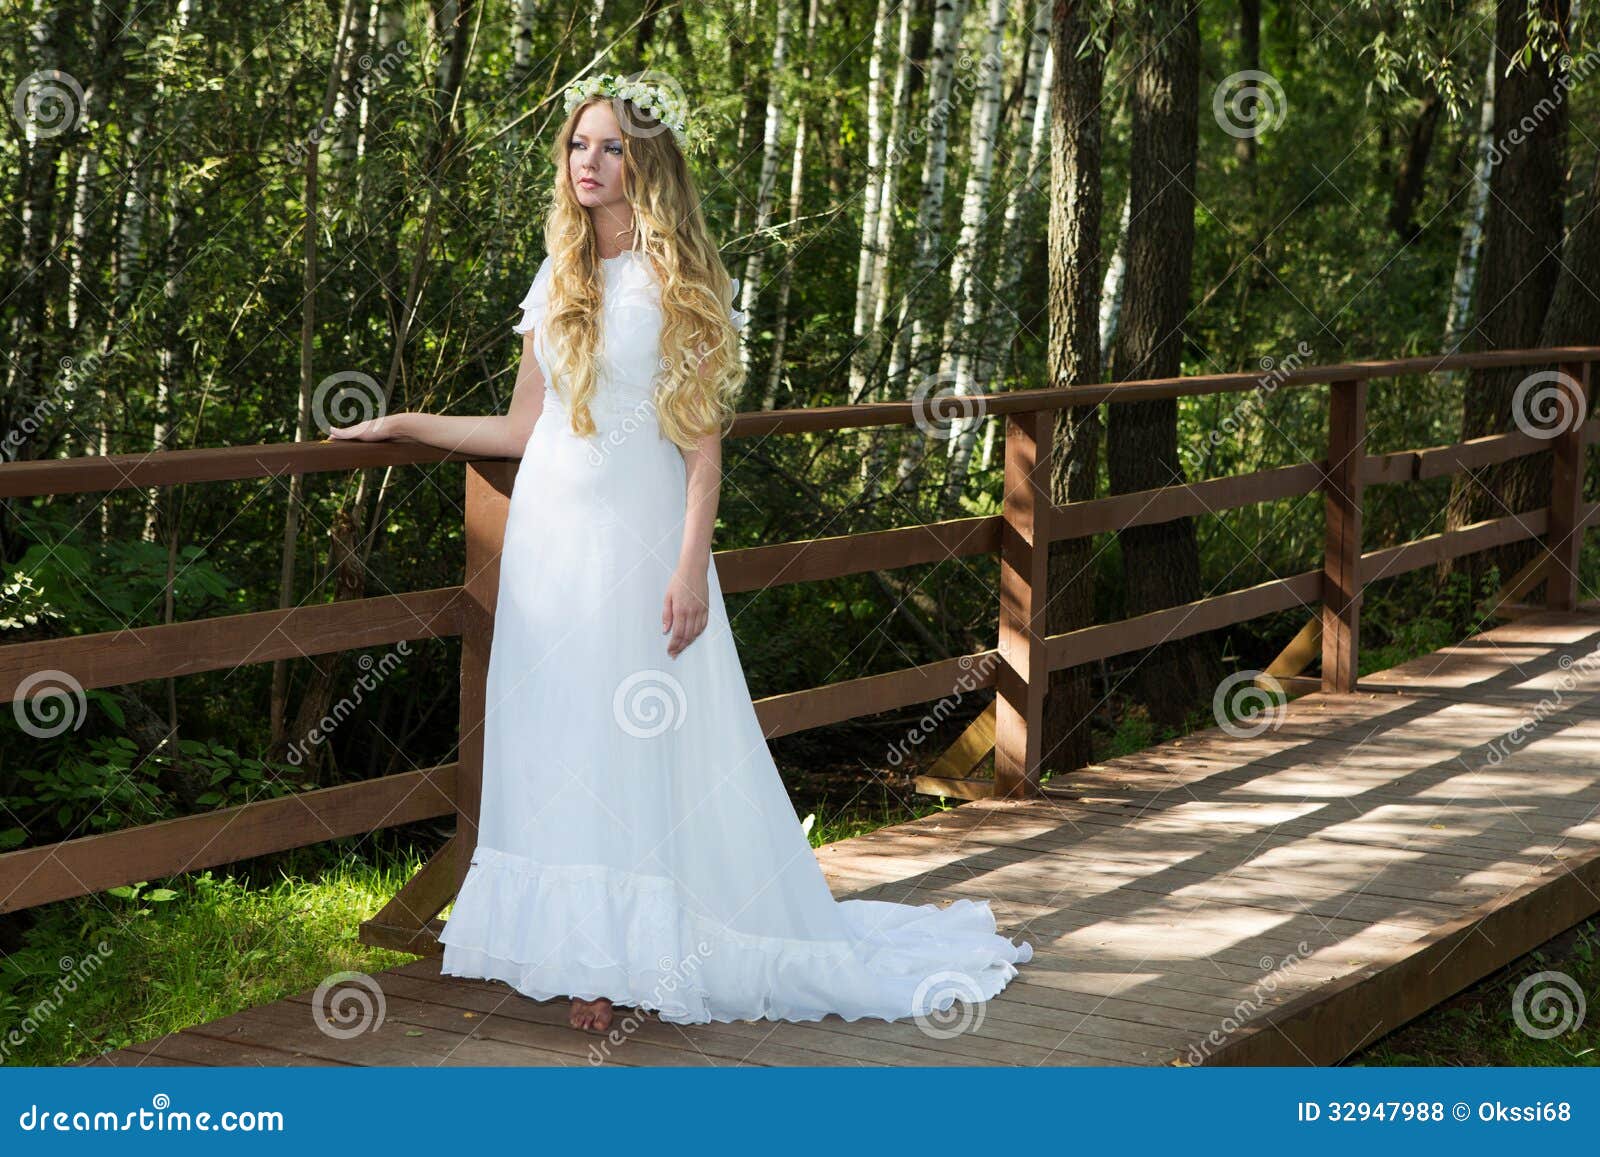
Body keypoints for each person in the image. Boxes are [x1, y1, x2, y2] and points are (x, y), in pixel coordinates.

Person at [329, 73, 1031, 1035]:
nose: (589, 162)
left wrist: (689, 565)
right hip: (549, 546)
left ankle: (618, 961)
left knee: (630, 742)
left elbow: (702, 448)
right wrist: (403, 422)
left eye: (609, 147)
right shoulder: (557, 279)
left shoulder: (677, 282)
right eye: (578, 145)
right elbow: (521, 427)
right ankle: (575, 946)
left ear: (644, 164)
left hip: (641, 541)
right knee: (559, 739)